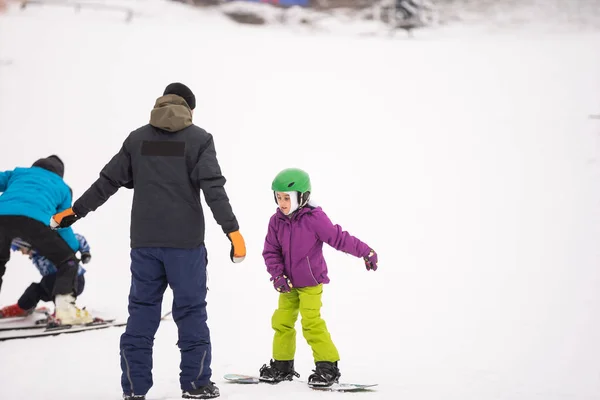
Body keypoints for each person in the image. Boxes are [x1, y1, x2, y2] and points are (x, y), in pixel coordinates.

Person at [51, 83, 246, 400]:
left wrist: (76, 211)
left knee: (142, 313)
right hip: (186, 246)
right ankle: (196, 384)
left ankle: (134, 388)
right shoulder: (199, 139)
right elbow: (213, 187)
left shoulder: (137, 138)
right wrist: (232, 230)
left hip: (145, 245)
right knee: (191, 312)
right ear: (189, 109)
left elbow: (108, 181)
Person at [258, 168, 378, 387]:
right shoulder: (276, 221)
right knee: (282, 322)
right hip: (287, 284)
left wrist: (365, 251)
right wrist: (277, 276)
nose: (282, 202)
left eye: (287, 198)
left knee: (311, 323)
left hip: (311, 283)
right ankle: (282, 365)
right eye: (278, 197)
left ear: (302, 197)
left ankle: (327, 365)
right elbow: (270, 252)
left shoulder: (314, 219)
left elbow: (339, 238)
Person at [0, 155, 93, 325]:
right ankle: (65, 310)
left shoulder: (19, 173)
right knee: (68, 262)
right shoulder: (63, 188)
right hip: (34, 222)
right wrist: (70, 249)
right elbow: (63, 223)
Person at [0, 233, 91, 318]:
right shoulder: (35, 254)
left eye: (20, 249)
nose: (22, 253)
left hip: (74, 280)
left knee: (54, 283)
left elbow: (76, 238)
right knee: (35, 289)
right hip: (51, 284)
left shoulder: (48, 244)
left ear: (26, 244)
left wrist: (85, 252)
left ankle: (64, 310)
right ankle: (22, 308)